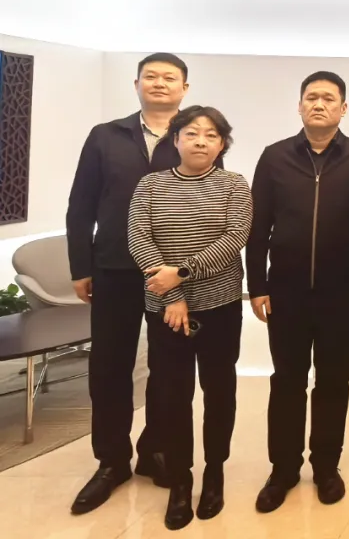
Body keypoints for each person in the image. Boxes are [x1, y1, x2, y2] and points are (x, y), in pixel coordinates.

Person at [67, 53, 205, 515]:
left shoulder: (195, 135)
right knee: (109, 367)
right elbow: (80, 205)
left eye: (170, 78)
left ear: (185, 88)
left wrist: (188, 272)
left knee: (168, 369)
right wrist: (80, 265)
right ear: (137, 84)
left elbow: (207, 203)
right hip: (113, 268)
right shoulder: (105, 136)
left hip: (170, 276)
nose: (160, 83)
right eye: (151, 76)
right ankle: (111, 461)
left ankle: (155, 450)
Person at [246, 71, 349, 513]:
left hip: (341, 295)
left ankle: (326, 467)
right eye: (312, 97)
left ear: (343, 108)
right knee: (287, 382)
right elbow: (258, 226)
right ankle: (282, 469)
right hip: (286, 293)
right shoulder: (275, 157)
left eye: (329, 98)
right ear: (300, 106)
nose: (319, 104)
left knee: (334, 382)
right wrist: (256, 285)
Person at [127, 106, 252, 530]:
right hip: (165, 310)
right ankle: (180, 479)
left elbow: (234, 239)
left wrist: (180, 273)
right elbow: (139, 239)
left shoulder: (234, 185)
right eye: (192, 133)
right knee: (172, 395)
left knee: (219, 392)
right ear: (175, 139)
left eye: (211, 135)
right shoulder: (150, 185)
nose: (201, 141)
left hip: (220, 307)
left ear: (222, 144)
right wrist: (175, 295)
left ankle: (214, 471)